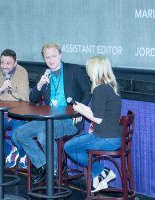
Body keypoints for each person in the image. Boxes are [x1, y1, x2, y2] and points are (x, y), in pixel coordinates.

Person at [12, 43, 91, 184]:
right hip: (48, 120)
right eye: (47, 57)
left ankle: (55, 169)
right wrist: (39, 85)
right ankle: (43, 166)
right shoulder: (46, 75)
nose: (51, 60)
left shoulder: (73, 70)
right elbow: (33, 99)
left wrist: (79, 110)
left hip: (69, 120)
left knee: (44, 135)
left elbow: (87, 91)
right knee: (19, 133)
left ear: (60, 55)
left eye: (53, 56)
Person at [64, 56, 122, 193]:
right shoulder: (110, 87)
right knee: (76, 144)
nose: (88, 73)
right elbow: (100, 114)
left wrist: (80, 112)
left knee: (69, 147)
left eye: (89, 70)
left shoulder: (99, 89)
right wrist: (83, 108)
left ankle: (101, 171)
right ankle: (99, 175)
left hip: (104, 138)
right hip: (114, 137)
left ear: (94, 70)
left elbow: (98, 119)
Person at [0, 49, 29, 168]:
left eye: (8, 63)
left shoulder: (22, 72)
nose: (4, 66)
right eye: (2, 62)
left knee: (17, 136)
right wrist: (0, 89)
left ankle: (23, 154)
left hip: (18, 114)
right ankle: (10, 151)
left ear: (15, 63)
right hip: (1, 113)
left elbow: (23, 97)